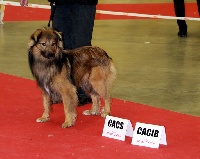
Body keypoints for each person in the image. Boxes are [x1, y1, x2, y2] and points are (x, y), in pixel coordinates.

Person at [20, 0, 98, 105]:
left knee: (81, 47)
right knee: (59, 47)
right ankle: (59, 90)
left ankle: (81, 91)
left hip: (84, 3)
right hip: (60, 2)